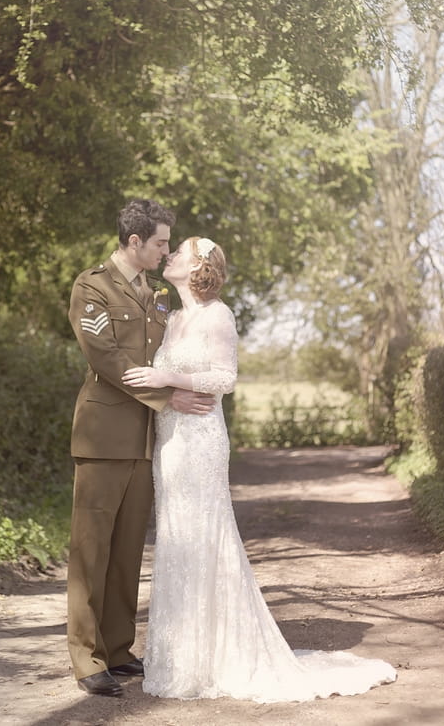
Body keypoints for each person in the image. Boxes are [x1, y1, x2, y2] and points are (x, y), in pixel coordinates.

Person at [122, 236, 397, 703]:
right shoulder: (173, 317)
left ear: (198, 267)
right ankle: (182, 656)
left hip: (203, 441)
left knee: (207, 534)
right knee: (176, 536)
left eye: (179, 252)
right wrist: (164, 389)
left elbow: (224, 378)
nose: (168, 255)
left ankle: (220, 656)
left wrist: (169, 377)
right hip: (170, 441)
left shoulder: (218, 316)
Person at [67, 200, 214, 698]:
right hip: (103, 438)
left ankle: (118, 648)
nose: (165, 250)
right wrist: (168, 395)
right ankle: (87, 659)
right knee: (91, 552)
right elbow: (105, 357)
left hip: (148, 441)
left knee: (128, 552)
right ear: (135, 242)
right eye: (160, 243)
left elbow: (164, 356)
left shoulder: (156, 295)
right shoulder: (92, 286)